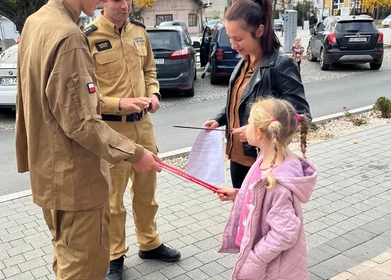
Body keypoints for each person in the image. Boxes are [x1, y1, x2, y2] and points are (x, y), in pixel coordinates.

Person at [15, 0, 162, 279]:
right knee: (84, 267)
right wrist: (134, 153)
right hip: (76, 175)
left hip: (53, 171)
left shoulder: (37, 22)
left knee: (67, 256)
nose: (103, 0)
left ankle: (150, 240)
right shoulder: (71, 36)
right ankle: (117, 254)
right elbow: (81, 121)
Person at [84, 0, 181, 279]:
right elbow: (85, 95)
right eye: (118, 0)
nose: (125, 5)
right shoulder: (88, 38)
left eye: (129, 0)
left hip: (144, 126)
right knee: (113, 200)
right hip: (113, 131)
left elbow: (150, 71)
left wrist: (154, 94)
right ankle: (115, 255)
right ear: (103, 2)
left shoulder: (139, 31)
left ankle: (149, 243)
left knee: (146, 192)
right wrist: (119, 103)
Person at [202, 0, 310, 189]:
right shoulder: (244, 62)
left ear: (259, 31)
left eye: (239, 39)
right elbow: (238, 101)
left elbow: (300, 115)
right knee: (244, 214)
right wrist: (219, 119)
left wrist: (256, 129)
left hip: (264, 161)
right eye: (230, 38)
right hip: (238, 157)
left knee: (261, 215)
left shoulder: (281, 65)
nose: (234, 45)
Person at [217, 97, 317, 280]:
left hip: (270, 267)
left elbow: (286, 232)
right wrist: (239, 194)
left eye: (248, 123)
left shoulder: (277, 183)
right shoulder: (266, 158)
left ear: (260, 133)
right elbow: (263, 199)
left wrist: (254, 259)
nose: (245, 128)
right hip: (258, 252)